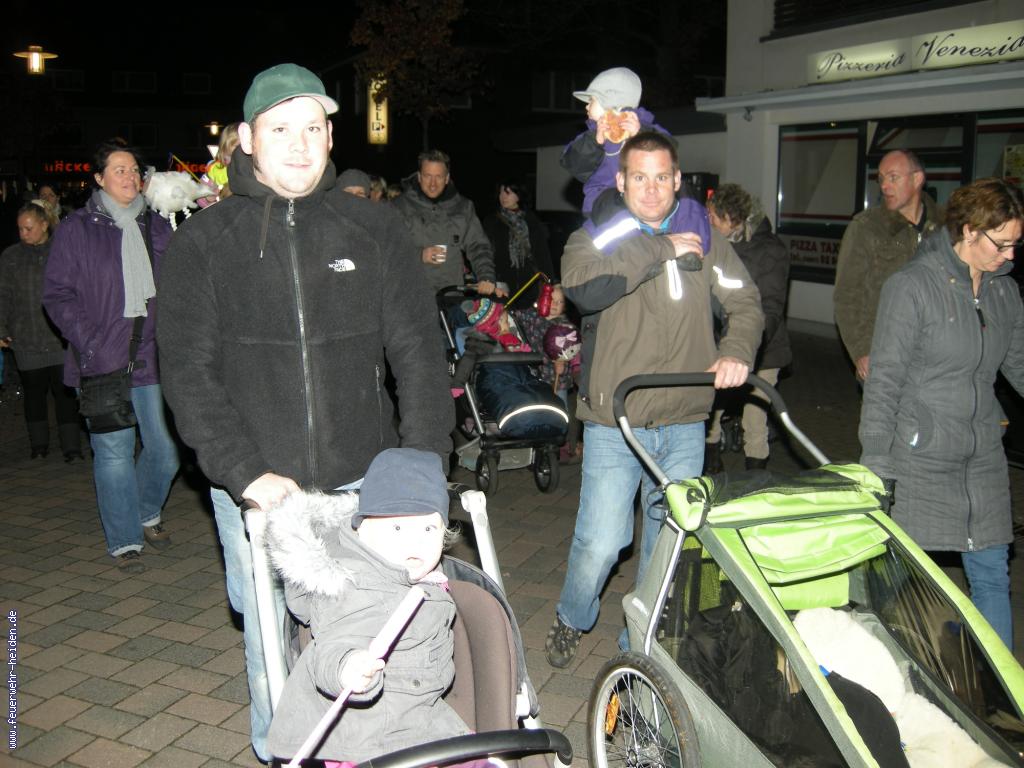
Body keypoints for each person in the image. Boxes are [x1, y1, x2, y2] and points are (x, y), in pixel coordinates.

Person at [156, 63, 453, 763]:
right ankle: (282, 752)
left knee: (378, 634)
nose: (298, 144)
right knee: (270, 638)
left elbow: (418, 354)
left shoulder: (373, 228)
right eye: (280, 128)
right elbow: (188, 373)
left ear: (330, 137)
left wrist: (422, 467)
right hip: (260, 489)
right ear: (246, 139)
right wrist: (246, 474)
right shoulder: (204, 242)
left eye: (313, 128)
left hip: (363, 483)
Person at [545, 132, 764, 667]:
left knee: (667, 543)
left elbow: (746, 302)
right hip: (615, 420)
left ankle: (638, 643)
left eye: (661, 177)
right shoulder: (594, 237)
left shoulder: (706, 239)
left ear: (677, 180)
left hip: (685, 420)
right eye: (639, 177)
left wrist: (736, 351)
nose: (651, 189)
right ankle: (572, 616)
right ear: (620, 181)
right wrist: (662, 248)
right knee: (602, 542)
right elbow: (584, 289)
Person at [859, 177, 1024, 651]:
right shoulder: (912, 286)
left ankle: (1001, 688)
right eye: (1001, 243)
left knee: (991, 573)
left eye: (1016, 244)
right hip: (920, 457)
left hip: (982, 455)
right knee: (899, 577)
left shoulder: (1003, 293)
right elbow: (885, 380)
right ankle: (878, 668)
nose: (1009, 255)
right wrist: (877, 461)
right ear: (969, 230)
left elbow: (1018, 364)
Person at [265, 448, 470, 763]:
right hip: (362, 741)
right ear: (361, 529)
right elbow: (332, 646)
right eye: (397, 527)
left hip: (418, 720)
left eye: (429, 528)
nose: (415, 541)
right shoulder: (355, 587)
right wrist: (347, 667)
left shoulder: (421, 578)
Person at [42, 139, 178, 572]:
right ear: (99, 178)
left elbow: (182, 279)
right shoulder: (77, 229)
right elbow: (57, 294)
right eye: (119, 170)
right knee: (115, 454)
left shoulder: (157, 224)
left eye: (134, 169)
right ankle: (125, 539)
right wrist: (89, 341)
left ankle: (145, 510)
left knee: (165, 450)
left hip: (151, 356)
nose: (130, 176)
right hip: (101, 359)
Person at [704, 183, 791, 472]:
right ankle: (711, 462)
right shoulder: (716, 245)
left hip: (765, 347)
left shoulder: (770, 250)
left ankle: (755, 476)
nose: (708, 222)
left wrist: (751, 344)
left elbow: (771, 306)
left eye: (713, 217)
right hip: (721, 344)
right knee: (712, 406)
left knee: (756, 415)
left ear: (731, 218)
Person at [834, 150, 942, 382]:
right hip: (885, 356)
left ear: (917, 179)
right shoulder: (866, 227)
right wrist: (862, 351)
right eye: (881, 178)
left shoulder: (945, 227)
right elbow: (847, 295)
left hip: (936, 359)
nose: (884, 186)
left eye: (893, 177)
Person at [0, 202, 81, 461]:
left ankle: (72, 447)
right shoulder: (11, 257)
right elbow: (3, 294)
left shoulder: (61, 251)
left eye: (29, 228)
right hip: (26, 337)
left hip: (59, 338)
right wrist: (1, 328)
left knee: (64, 393)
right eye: (20, 229)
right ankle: (39, 446)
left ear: (44, 225)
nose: (23, 234)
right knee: (34, 394)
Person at [392, 149, 506, 298]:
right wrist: (419, 255)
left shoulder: (463, 207)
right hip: (410, 296)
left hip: (451, 296)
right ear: (419, 176)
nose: (433, 184)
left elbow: (478, 245)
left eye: (438, 177)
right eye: (427, 176)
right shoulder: (399, 206)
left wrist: (486, 276)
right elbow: (388, 247)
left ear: (447, 178)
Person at [561, 67, 669, 220]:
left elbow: (668, 153)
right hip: (601, 207)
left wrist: (641, 136)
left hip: (642, 204)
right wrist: (594, 142)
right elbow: (573, 164)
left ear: (609, 101)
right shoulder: (592, 135)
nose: (586, 106)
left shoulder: (644, 128)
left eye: (591, 101)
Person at [481, 180, 553, 303]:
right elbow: (484, 252)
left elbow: (542, 254)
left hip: (529, 284)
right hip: (501, 284)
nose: (503, 196)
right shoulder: (492, 221)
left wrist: (551, 281)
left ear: (519, 195)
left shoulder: (531, 221)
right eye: (501, 192)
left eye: (508, 192)